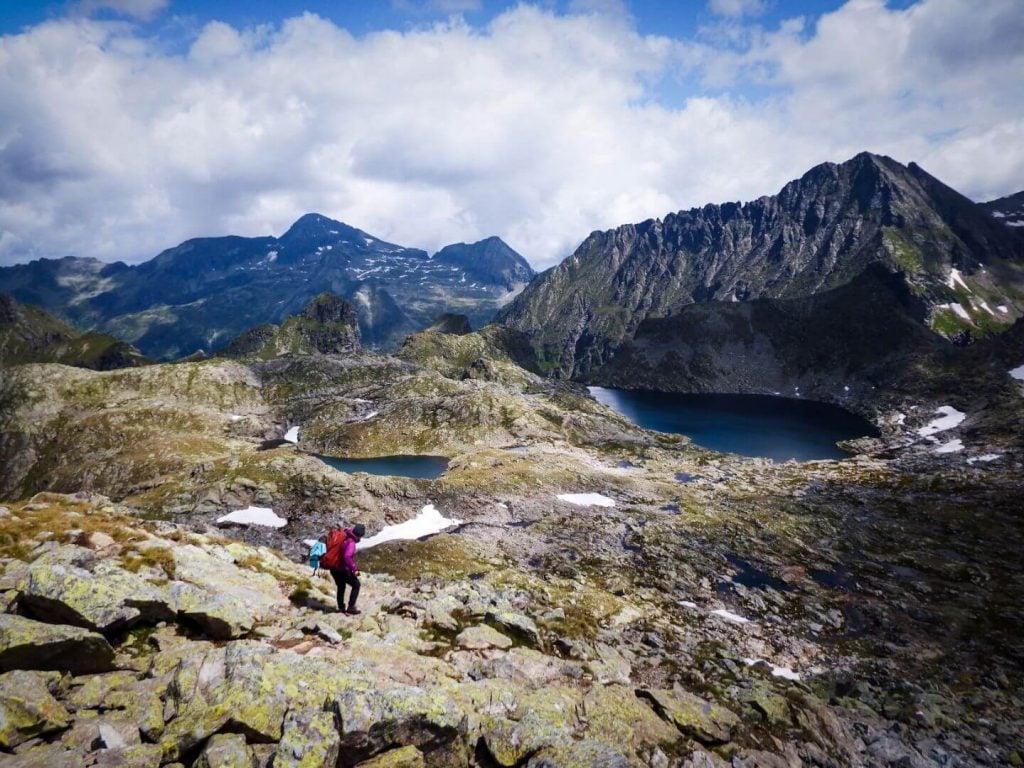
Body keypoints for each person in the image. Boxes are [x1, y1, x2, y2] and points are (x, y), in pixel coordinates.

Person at [329, 523, 365, 614]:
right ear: (360, 535)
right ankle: (351, 607)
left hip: (333, 567)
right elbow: (347, 556)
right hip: (341, 569)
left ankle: (341, 608)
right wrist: (354, 569)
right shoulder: (351, 542)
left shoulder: (343, 535)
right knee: (356, 585)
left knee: (341, 586)